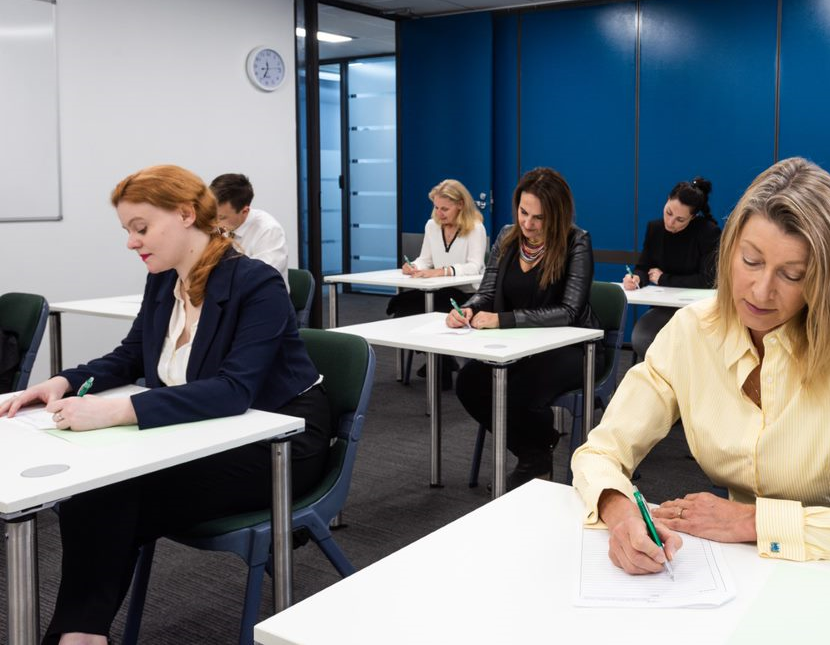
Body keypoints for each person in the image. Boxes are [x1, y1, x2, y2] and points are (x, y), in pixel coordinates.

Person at [0, 165, 331, 645]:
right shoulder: (163, 280)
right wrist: (62, 382)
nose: (132, 242)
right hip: (198, 434)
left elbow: (234, 390)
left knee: (107, 493)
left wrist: (114, 411)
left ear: (185, 214)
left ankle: (78, 634)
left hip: (279, 442)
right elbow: (130, 355)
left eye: (141, 228)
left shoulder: (256, 283)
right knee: (100, 491)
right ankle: (81, 633)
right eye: (127, 231)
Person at [573, 157, 830, 575]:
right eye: (750, 261)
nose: (761, 291)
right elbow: (600, 452)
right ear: (729, 249)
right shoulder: (692, 332)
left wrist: (754, 521)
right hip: (746, 564)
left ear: (825, 279)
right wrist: (619, 511)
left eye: (792, 275)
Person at [449, 167, 601, 489]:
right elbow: (487, 292)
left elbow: (570, 311)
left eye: (539, 218)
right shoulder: (507, 236)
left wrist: (503, 320)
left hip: (571, 349)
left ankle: (534, 457)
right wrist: (469, 308)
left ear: (557, 216)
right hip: (520, 346)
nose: (528, 224)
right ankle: (537, 450)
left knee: (516, 392)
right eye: (523, 212)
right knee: (469, 383)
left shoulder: (577, 241)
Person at [623, 177, 720, 360]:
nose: (670, 222)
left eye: (680, 219)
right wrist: (636, 278)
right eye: (668, 213)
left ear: (693, 217)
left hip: (698, 311)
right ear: (667, 200)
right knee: (643, 338)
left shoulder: (708, 232)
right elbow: (644, 266)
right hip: (664, 308)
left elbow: (708, 280)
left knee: (689, 347)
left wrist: (663, 279)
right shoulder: (655, 228)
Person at [385, 178, 487, 318]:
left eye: (445, 209)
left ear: (461, 205)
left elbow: (475, 266)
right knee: (401, 302)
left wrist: (441, 271)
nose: (439, 213)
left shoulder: (475, 227)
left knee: (415, 305)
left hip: (468, 293)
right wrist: (413, 265)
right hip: (439, 288)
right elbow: (425, 260)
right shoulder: (432, 226)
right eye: (436, 207)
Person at [210, 173, 288, 281]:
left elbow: (260, 277)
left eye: (221, 217)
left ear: (245, 211)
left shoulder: (269, 231)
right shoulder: (223, 227)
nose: (216, 223)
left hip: (260, 294)